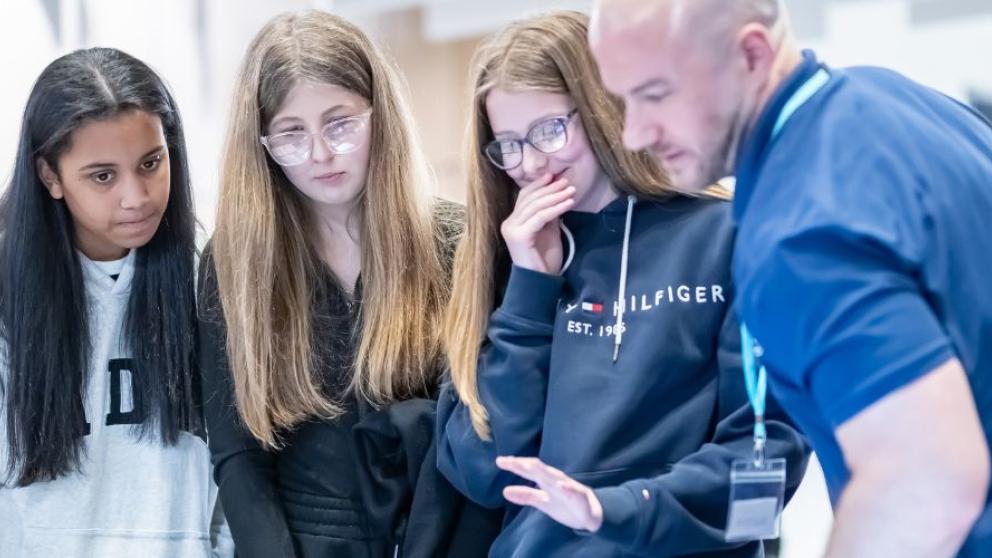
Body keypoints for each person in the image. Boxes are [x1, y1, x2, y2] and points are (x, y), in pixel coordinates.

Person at [590, 0, 992, 556]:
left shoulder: (798, 229)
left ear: (751, 54)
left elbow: (922, 484)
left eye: (655, 94)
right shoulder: (894, 100)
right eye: (623, 99)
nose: (634, 133)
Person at [438, 11, 807, 557]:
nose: (532, 164)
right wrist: (529, 294)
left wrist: (616, 510)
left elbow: (765, 461)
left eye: (549, 131)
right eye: (509, 144)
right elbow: (480, 473)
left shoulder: (726, 235)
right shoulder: (505, 256)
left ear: (602, 107)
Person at [199, 10, 499, 558]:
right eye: (291, 134)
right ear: (260, 142)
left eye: (340, 124)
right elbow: (237, 454)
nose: (319, 155)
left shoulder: (457, 243)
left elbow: (480, 433)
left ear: (379, 115)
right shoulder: (233, 262)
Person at [0, 47, 230, 557]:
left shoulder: (207, 276)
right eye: (103, 176)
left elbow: (240, 469)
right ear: (50, 177)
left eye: (151, 163)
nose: (137, 196)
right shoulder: (7, 294)